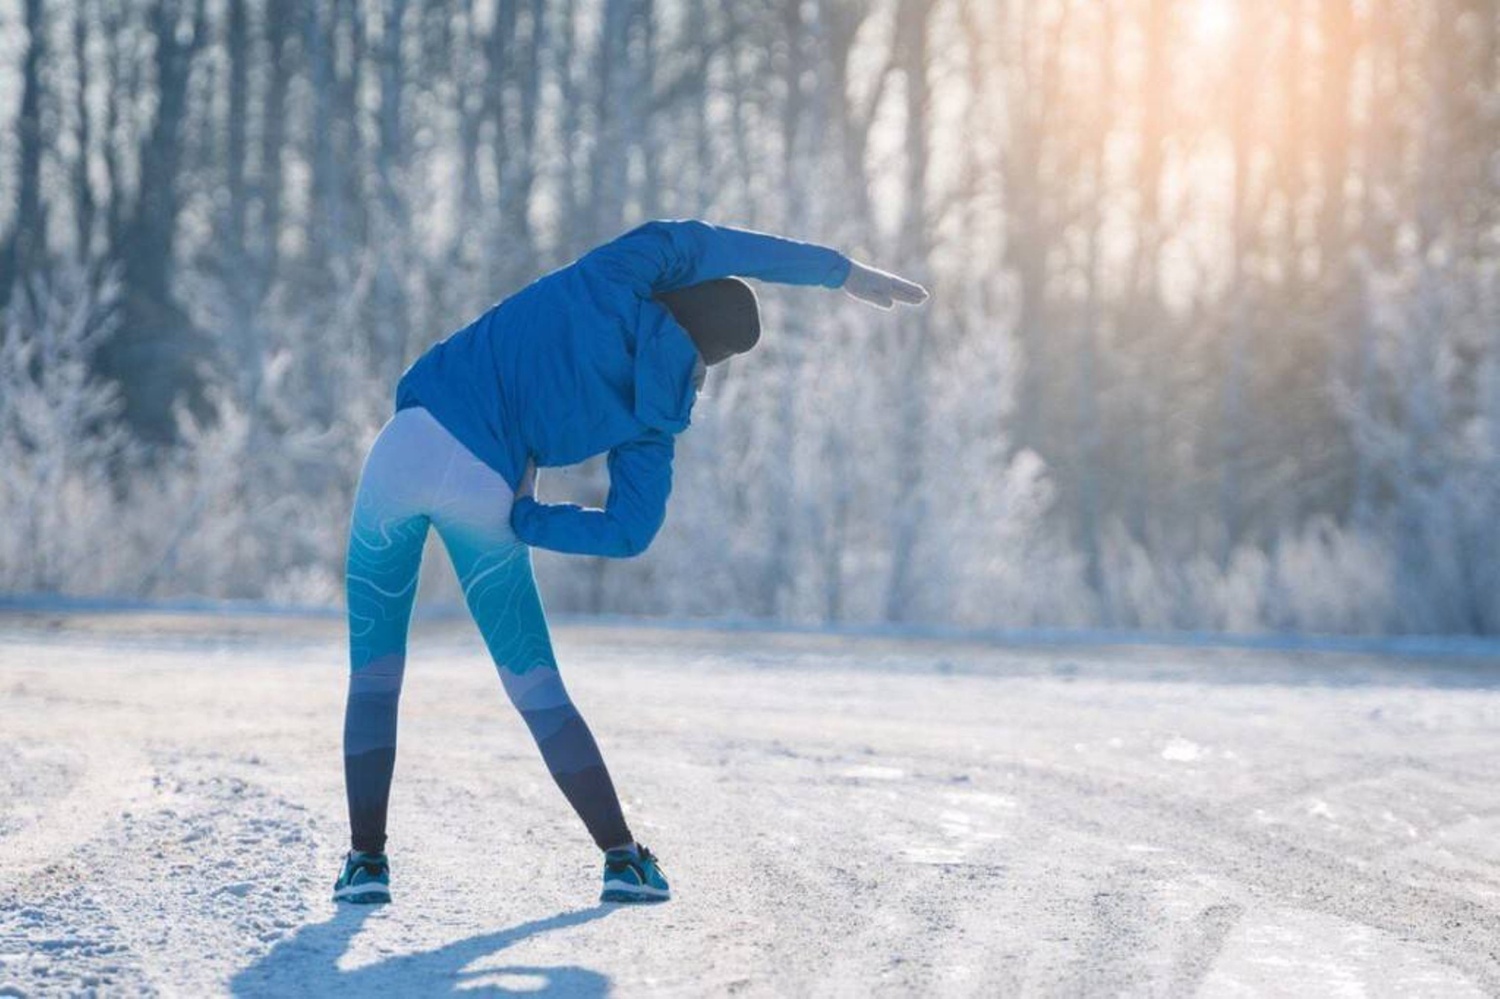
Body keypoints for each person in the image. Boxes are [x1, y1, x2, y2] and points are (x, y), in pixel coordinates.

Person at [333, 219, 928, 905]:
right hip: (488, 492)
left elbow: (737, 249)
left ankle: (366, 862)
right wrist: (528, 517)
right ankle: (622, 857)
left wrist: (841, 270)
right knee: (536, 687)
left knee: (374, 673)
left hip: (407, 443)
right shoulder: (659, 417)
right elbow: (628, 531)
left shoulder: (625, 271)